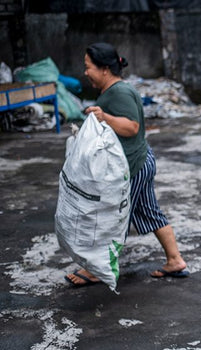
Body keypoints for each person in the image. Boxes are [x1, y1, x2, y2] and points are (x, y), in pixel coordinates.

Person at [64, 42, 189, 287]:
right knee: (149, 212)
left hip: (133, 167)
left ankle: (96, 270)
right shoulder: (115, 90)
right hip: (139, 162)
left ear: (105, 69)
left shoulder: (119, 92)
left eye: (88, 67)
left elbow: (131, 127)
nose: (85, 72)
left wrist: (104, 117)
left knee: (111, 218)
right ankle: (175, 261)